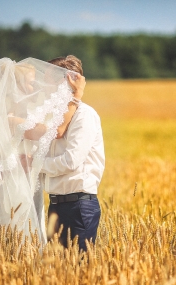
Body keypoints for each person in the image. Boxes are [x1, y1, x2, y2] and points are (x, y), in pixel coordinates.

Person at [0, 57, 87, 245]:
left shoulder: (26, 115)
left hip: (31, 184)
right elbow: (56, 131)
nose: (37, 87)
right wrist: (76, 97)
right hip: (19, 185)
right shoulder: (11, 119)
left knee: (33, 233)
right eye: (32, 83)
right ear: (16, 87)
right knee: (22, 236)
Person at [41, 55, 105, 252]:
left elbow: (71, 161)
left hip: (78, 207)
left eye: (48, 80)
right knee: (59, 275)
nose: (43, 86)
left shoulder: (84, 115)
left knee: (79, 272)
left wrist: (36, 164)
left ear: (66, 81)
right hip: (55, 207)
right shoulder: (55, 120)